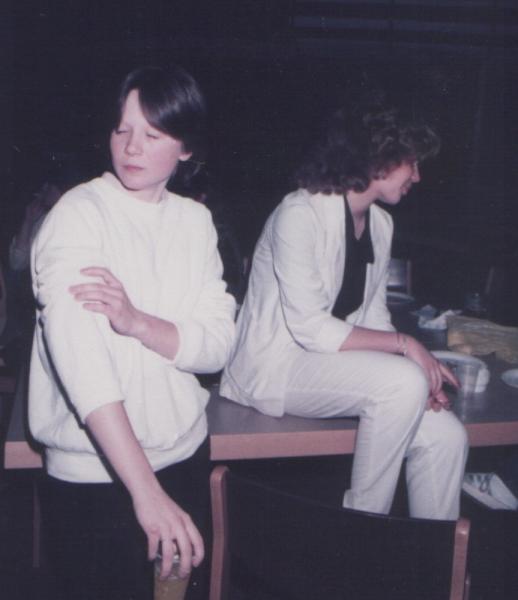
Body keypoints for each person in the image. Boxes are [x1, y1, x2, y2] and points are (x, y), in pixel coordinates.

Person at [29, 65, 235, 600]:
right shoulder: (79, 215)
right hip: (97, 477)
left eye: (153, 133)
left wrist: (138, 322)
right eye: (122, 129)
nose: (131, 146)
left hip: (184, 454)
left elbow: (217, 344)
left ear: (186, 147)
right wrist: (146, 492)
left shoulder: (195, 222)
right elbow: (81, 361)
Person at [220, 101, 468, 520]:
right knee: (401, 383)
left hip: (325, 366)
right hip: (274, 367)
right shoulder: (299, 213)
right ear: (381, 157)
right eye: (413, 163)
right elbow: (311, 328)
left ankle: (436, 553)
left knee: (448, 436)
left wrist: (420, 370)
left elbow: (373, 317)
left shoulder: (380, 225)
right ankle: (361, 530)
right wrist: (407, 347)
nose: (418, 176)